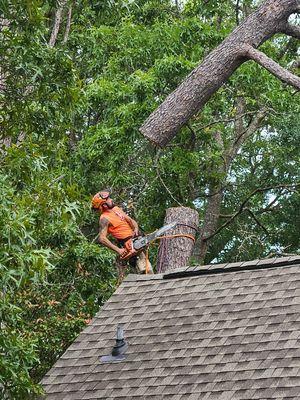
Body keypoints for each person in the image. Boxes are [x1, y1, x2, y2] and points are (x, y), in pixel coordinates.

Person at [91, 189, 153, 281]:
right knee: (146, 275)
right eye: (108, 199)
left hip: (136, 241)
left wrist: (135, 228)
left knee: (150, 272)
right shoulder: (104, 218)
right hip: (129, 247)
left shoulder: (116, 209)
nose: (111, 199)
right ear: (103, 205)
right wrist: (119, 250)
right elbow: (102, 238)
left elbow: (130, 220)